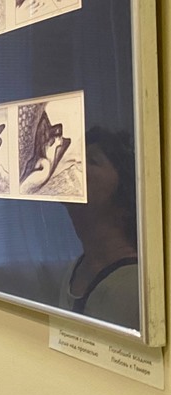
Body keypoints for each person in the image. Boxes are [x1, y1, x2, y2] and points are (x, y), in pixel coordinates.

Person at [57, 127, 139, 329]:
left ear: (125, 192)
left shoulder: (135, 285)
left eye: (91, 161)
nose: (72, 165)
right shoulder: (76, 269)